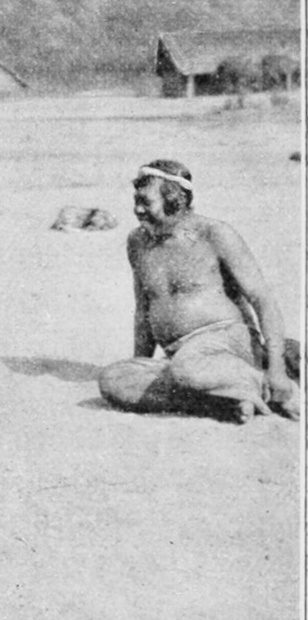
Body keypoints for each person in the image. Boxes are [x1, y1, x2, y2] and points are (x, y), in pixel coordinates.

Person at [98, 160, 300, 424]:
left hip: (226, 340)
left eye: (146, 202)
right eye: (136, 201)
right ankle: (227, 397)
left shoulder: (215, 233)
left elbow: (263, 300)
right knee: (114, 379)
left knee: (186, 369)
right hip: (181, 356)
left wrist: (277, 370)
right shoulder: (137, 241)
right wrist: (140, 364)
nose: (137, 209)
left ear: (175, 201)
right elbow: (143, 310)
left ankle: (263, 384)